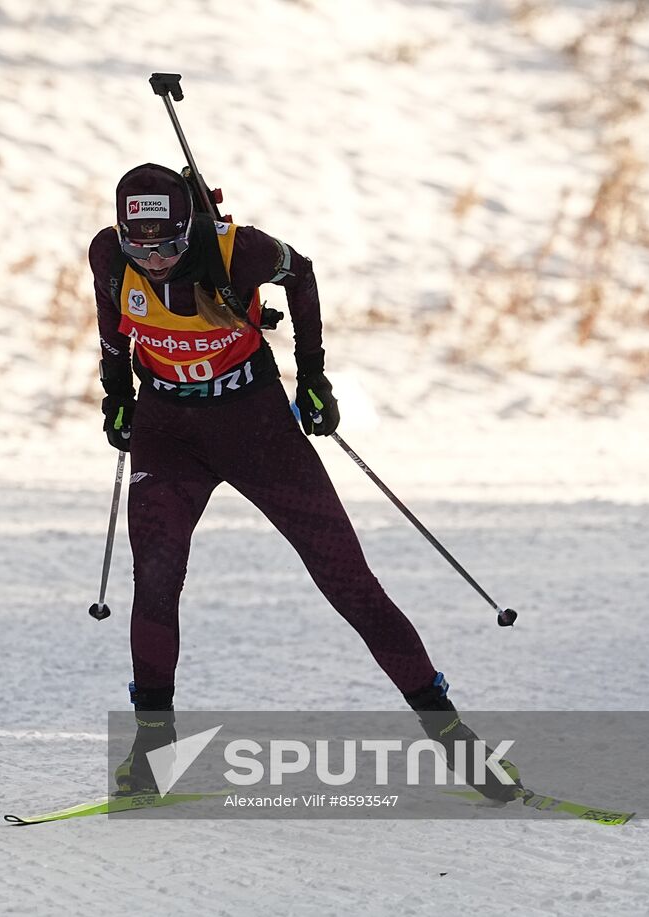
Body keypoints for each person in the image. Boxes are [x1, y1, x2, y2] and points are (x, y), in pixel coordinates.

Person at [89, 163, 517, 802]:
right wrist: (116, 394)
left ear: (191, 228)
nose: (153, 259)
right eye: (139, 244)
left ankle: (451, 736)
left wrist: (313, 375)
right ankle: (152, 748)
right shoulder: (108, 255)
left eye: (169, 244)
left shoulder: (238, 250)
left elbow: (303, 271)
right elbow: (112, 327)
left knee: (346, 576)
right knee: (154, 577)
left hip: (254, 425)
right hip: (167, 431)